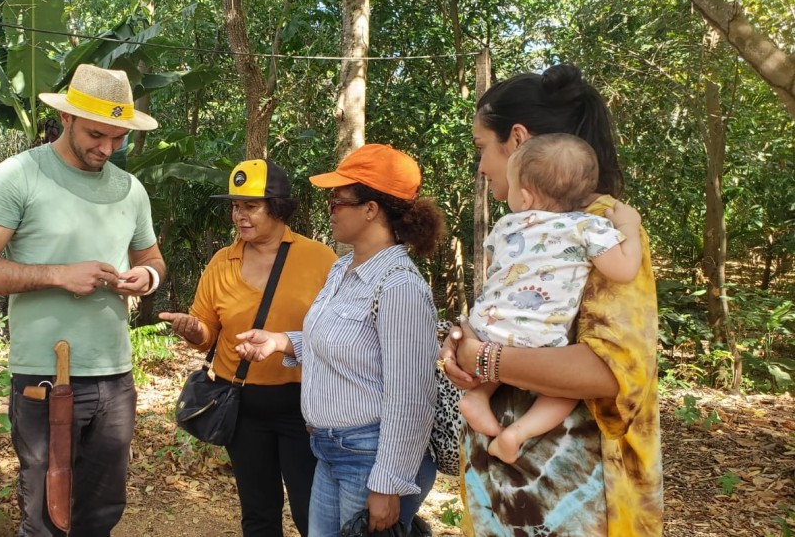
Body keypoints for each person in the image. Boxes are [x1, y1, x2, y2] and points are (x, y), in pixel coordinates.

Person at [440, 64, 662, 536]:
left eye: (482, 147)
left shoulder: (603, 228)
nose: (480, 167)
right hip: (510, 493)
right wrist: (459, 342)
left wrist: (488, 358)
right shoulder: (527, 230)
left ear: (517, 139)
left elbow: (611, 371)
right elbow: (515, 317)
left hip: (570, 499)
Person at [0, 64, 166, 536]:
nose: (107, 148)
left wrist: (146, 277)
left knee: (102, 511)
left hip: (115, 375)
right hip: (47, 376)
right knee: (48, 514)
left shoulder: (131, 190)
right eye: (96, 134)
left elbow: (153, 257)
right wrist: (57, 275)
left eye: (119, 138)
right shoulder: (18, 176)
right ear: (67, 118)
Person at [234, 144, 445, 536]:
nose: (330, 209)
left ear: (371, 209)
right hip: (328, 451)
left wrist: (389, 483)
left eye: (338, 201)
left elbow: (412, 395)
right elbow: (342, 343)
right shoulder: (343, 269)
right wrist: (283, 342)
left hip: (368, 457)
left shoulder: (399, 287)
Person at [159, 158, 337, 536]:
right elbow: (207, 331)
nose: (239, 215)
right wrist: (193, 330)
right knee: (258, 512)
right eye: (235, 206)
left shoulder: (320, 259)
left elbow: (340, 333)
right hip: (241, 407)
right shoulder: (223, 262)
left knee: (313, 514)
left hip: (304, 409)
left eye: (250, 206)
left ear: (278, 207)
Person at [458, 133, 642, 465]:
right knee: (562, 392)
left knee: (503, 338)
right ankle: (516, 435)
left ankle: (477, 396)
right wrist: (628, 225)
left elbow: (492, 266)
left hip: (486, 325)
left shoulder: (505, 225)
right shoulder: (589, 227)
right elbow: (625, 270)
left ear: (525, 197)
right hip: (541, 338)